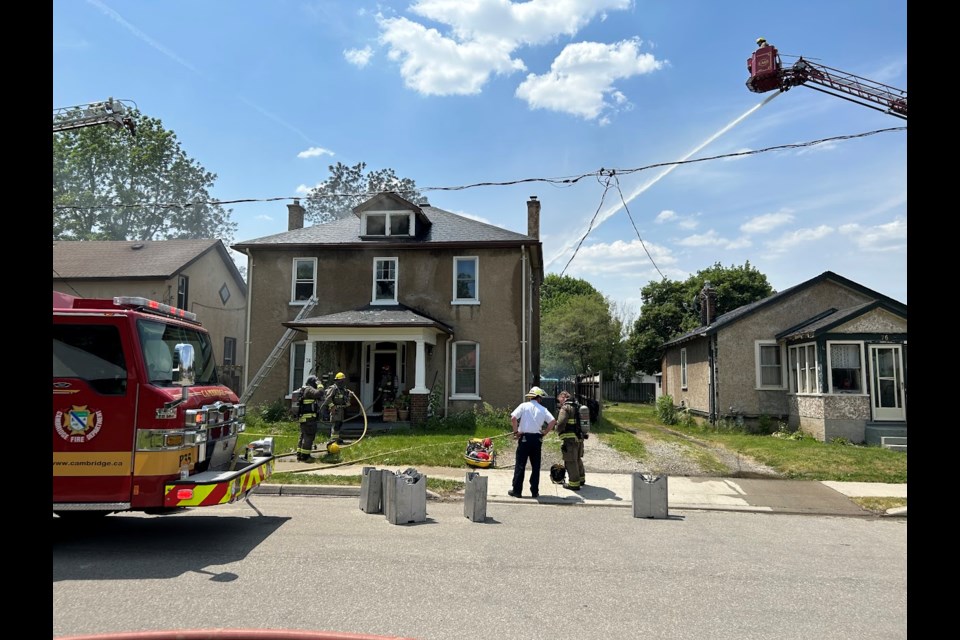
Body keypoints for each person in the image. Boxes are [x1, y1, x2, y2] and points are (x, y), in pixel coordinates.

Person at [508, 386, 557, 498]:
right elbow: (553, 421)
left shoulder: (523, 406)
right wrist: (545, 432)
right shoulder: (543, 409)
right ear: (539, 398)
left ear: (530, 397)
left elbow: (513, 418)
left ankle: (517, 491)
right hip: (537, 440)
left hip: (524, 439)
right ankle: (534, 491)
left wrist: (516, 432)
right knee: (535, 466)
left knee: (520, 465)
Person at [555, 390, 586, 491]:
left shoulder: (565, 407)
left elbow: (561, 423)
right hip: (579, 438)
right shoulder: (578, 406)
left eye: (559, 400)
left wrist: (557, 430)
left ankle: (574, 484)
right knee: (577, 459)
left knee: (570, 461)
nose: (559, 402)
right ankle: (581, 479)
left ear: (563, 397)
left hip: (570, 439)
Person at [295, 375, 324, 462]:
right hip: (309, 419)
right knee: (309, 436)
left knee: (303, 436)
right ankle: (306, 456)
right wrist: (320, 385)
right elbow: (319, 393)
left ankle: (300, 454)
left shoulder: (304, 390)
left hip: (304, 418)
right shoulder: (309, 389)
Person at [323, 372, 350, 442]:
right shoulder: (333, 388)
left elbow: (344, 398)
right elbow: (328, 398)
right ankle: (333, 440)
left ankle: (336, 438)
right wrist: (332, 406)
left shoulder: (343, 389)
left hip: (341, 409)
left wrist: (347, 400)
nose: (343, 382)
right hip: (335, 410)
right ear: (337, 381)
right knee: (336, 424)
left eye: (343, 380)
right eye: (341, 380)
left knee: (339, 424)